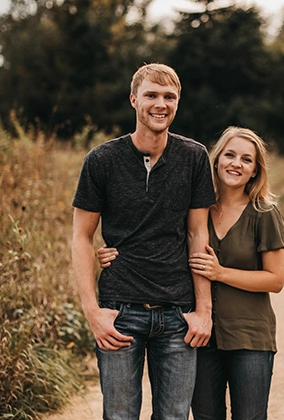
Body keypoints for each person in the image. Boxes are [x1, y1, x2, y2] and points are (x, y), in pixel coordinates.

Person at [98, 126, 284, 420]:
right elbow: (157, 238)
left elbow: (276, 280)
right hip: (199, 335)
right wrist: (111, 252)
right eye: (229, 155)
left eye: (246, 159)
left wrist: (220, 272)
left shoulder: (264, 213)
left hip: (250, 335)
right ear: (216, 160)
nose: (236, 164)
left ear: (255, 170)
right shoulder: (194, 209)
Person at [71, 63, 216, 420]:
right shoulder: (102, 160)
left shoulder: (194, 157)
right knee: (119, 416)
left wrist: (203, 311)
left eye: (170, 96)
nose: (160, 104)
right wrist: (93, 314)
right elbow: (80, 236)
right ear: (134, 99)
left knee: (174, 417)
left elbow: (198, 234)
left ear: (178, 103)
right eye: (151, 94)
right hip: (119, 310)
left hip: (177, 313)